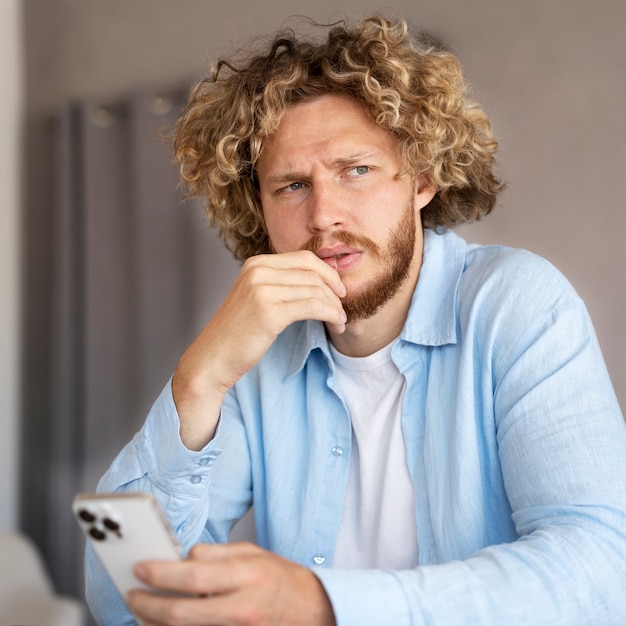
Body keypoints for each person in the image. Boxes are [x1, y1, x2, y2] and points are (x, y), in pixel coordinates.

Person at [85, 14, 626, 626]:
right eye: (291, 185)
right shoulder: (259, 352)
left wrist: (323, 603)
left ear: (421, 177)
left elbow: (602, 572)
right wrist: (197, 381)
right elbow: (117, 602)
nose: (323, 216)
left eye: (355, 170)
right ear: (258, 209)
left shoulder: (519, 305)